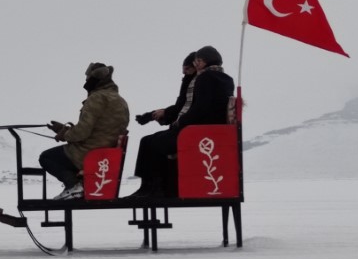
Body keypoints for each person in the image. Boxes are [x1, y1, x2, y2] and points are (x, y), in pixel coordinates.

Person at [130, 45, 235, 198]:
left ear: (205, 61)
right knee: (153, 141)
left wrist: (181, 122)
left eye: (198, 60)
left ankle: (153, 188)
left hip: (199, 133)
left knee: (150, 143)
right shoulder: (226, 79)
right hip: (210, 131)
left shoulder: (205, 78)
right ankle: (158, 188)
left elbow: (200, 107)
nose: (196, 64)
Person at [40, 62, 130, 200]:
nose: (86, 82)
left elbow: (83, 132)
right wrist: (64, 130)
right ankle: (77, 185)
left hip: (90, 152)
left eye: (87, 78)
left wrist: (65, 135)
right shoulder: (119, 100)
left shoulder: (97, 98)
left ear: (95, 79)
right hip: (104, 151)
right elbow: (100, 129)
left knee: (47, 157)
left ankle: (74, 186)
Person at [135, 52, 197, 128]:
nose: (183, 72)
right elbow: (180, 107)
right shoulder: (188, 81)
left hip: (191, 127)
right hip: (186, 125)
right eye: (183, 69)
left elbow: (185, 107)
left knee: (148, 140)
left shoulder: (196, 82)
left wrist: (165, 112)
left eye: (187, 68)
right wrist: (152, 115)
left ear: (196, 67)